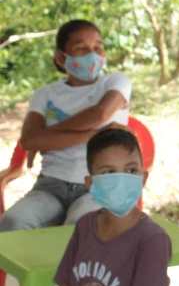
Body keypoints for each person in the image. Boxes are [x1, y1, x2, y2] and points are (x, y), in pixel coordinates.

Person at [0, 19, 132, 231]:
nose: (93, 54)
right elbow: (29, 140)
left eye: (98, 47)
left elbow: (99, 113)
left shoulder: (116, 82)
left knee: (80, 227)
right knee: (11, 224)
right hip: (50, 186)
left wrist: (45, 136)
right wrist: (97, 135)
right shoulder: (45, 94)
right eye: (81, 48)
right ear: (61, 58)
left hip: (99, 186)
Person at [55, 128, 171, 286]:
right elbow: (65, 285)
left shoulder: (152, 239)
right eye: (109, 172)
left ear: (143, 178)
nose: (120, 181)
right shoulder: (85, 226)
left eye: (131, 170)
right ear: (90, 183)